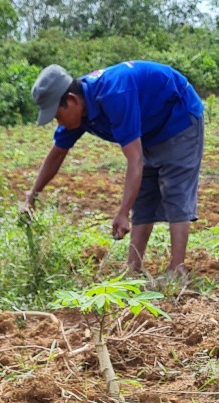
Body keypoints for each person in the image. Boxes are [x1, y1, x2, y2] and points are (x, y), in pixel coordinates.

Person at [22, 61, 205, 276]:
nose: (58, 122)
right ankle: (132, 269)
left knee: (175, 190)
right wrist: (32, 195)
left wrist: (122, 212)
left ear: (71, 101)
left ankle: (177, 271)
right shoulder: (78, 111)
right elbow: (57, 153)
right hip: (147, 129)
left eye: (57, 115)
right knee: (144, 196)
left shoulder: (114, 94)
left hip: (177, 118)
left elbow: (134, 160)